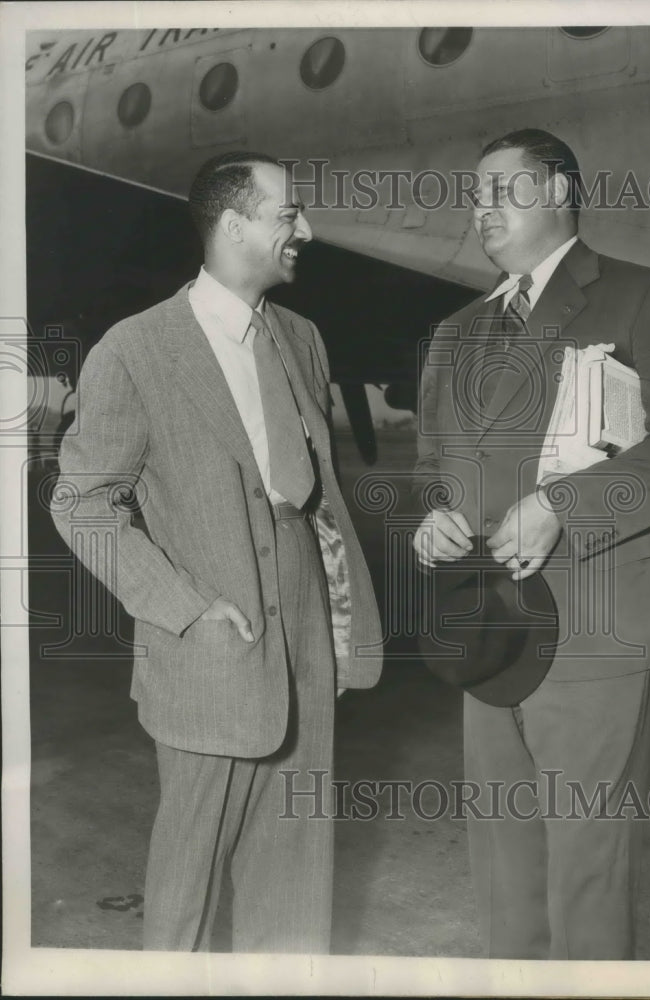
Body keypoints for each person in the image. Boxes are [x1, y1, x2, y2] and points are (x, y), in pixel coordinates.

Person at [52, 151, 382, 952]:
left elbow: (315, 497)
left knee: (295, 878)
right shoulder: (135, 349)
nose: (305, 228)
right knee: (187, 886)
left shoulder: (302, 338)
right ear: (233, 226)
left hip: (305, 644)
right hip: (208, 649)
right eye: (287, 214)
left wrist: (339, 625)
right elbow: (80, 501)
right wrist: (183, 607)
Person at [413, 128, 650, 959]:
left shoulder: (637, 295)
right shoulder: (454, 330)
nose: (480, 210)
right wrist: (432, 515)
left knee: (587, 870)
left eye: (500, 192)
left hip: (595, 629)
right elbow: (430, 466)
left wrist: (564, 504)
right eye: (474, 196)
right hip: (484, 629)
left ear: (556, 192)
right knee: (502, 865)